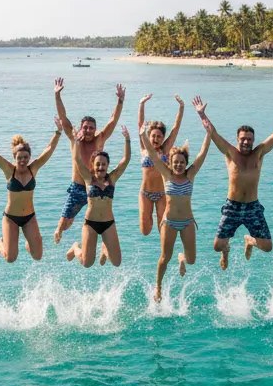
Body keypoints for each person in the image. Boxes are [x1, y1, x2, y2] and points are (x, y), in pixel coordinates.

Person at [199, 95, 273, 268]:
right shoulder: (230, 153)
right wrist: (202, 115)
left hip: (253, 206)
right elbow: (213, 133)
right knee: (217, 246)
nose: (246, 142)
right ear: (237, 139)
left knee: (267, 247)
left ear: (253, 140)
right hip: (233, 206)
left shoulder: (259, 153)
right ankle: (226, 251)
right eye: (243, 138)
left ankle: (250, 241)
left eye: (249, 139)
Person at [139, 104, 212, 300]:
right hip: (169, 222)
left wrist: (208, 132)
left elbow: (203, 153)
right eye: (175, 162)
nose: (179, 165)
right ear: (170, 163)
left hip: (187, 222)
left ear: (185, 163)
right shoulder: (166, 175)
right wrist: (143, 134)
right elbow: (153, 154)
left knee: (191, 260)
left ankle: (182, 259)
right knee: (164, 258)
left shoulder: (191, 175)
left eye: (182, 162)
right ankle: (158, 288)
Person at [0, 115, 63, 262]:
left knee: (38, 256)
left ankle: (29, 242)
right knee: (10, 258)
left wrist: (58, 132)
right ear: (14, 157)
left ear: (29, 157)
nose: (22, 161)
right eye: (19, 157)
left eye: (26, 157)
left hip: (29, 217)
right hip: (11, 218)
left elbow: (49, 149)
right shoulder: (9, 170)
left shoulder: (33, 169)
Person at [52, 77, 125, 244]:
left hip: (95, 185)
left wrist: (120, 101)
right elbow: (63, 118)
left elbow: (113, 120)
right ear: (80, 127)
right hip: (78, 186)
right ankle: (66, 238)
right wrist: (57, 96)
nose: (88, 130)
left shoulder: (99, 140)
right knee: (65, 224)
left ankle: (104, 244)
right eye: (85, 127)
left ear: (95, 129)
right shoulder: (74, 137)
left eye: (92, 128)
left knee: (103, 220)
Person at [64, 124, 132, 268]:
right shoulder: (89, 179)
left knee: (117, 262)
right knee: (86, 263)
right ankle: (76, 247)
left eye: (103, 165)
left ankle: (104, 248)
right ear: (93, 165)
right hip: (91, 223)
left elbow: (125, 159)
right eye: (98, 165)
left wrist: (127, 140)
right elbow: (76, 159)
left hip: (108, 223)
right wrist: (76, 141)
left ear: (107, 165)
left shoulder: (112, 178)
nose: (100, 167)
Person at [136, 93, 185, 235]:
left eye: (159, 136)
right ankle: (148, 217)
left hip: (162, 193)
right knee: (145, 230)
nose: (156, 139)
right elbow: (140, 125)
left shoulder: (165, 150)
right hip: (145, 193)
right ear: (149, 136)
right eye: (153, 136)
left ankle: (167, 252)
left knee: (162, 229)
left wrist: (181, 107)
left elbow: (176, 128)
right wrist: (142, 104)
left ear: (163, 138)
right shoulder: (144, 148)